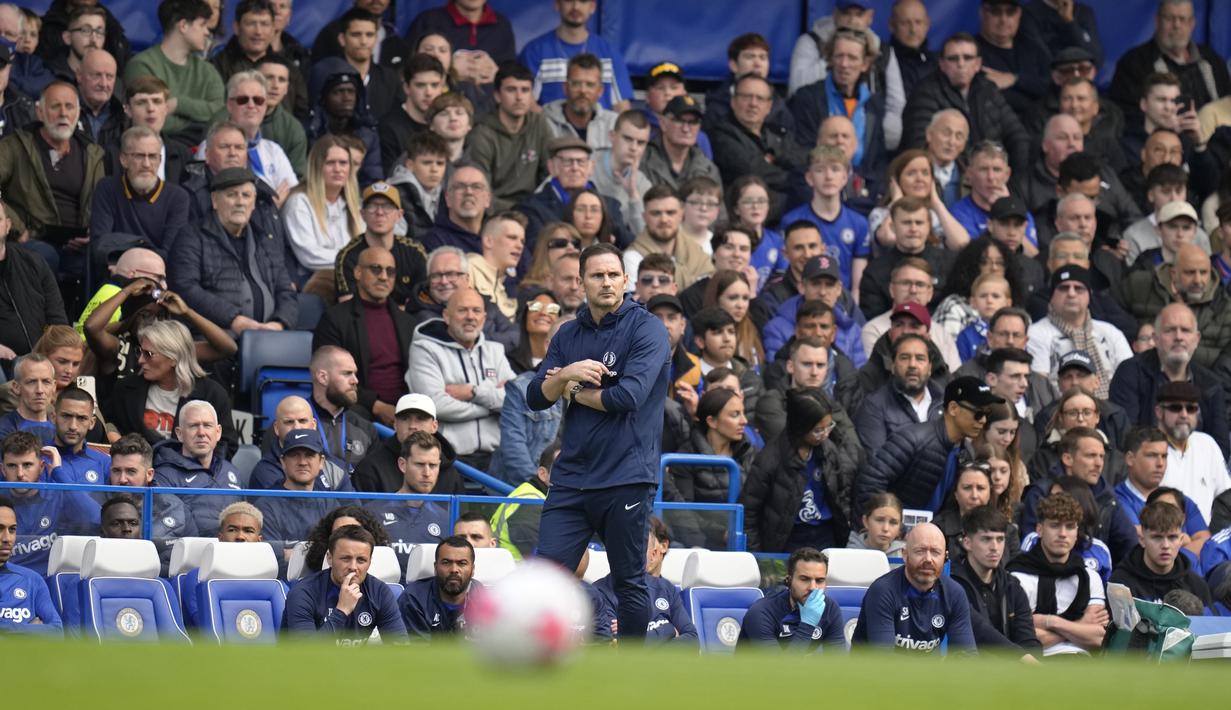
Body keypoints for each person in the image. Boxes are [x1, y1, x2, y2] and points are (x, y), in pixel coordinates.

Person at [527, 242, 669, 641]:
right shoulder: (568, 334)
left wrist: (569, 390)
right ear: (581, 282)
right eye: (596, 275)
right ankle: (535, 663)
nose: (606, 282)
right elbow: (535, 396)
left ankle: (630, 675)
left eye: (613, 275)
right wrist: (565, 374)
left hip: (626, 476)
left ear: (625, 280)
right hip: (571, 477)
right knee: (545, 580)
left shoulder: (647, 328)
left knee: (629, 581)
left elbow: (628, 398)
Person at [168, 166, 298, 334]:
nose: (240, 202)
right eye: (231, 195)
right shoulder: (192, 236)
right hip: (215, 340)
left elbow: (286, 291)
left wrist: (280, 324)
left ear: (253, 203)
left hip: (269, 337)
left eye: (246, 195)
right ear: (214, 200)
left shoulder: (264, 239)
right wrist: (232, 319)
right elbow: (185, 287)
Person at [858, 376, 1002, 514]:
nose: (983, 420)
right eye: (978, 414)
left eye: (987, 414)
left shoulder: (967, 452)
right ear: (953, 408)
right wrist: (892, 526)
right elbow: (870, 483)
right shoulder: (913, 439)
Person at [0, 81, 104, 269]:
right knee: (44, 256)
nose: (63, 113)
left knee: (103, 259)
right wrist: (16, 228)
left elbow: (102, 202)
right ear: (40, 112)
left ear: (78, 113)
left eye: (69, 106)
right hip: (31, 240)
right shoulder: (15, 146)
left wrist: (93, 233)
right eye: (55, 106)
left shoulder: (93, 154)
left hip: (78, 245)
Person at [406, 288, 513, 471]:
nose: (470, 317)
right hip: (450, 461)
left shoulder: (495, 351)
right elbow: (436, 405)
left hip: (497, 461)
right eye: (462, 310)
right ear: (446, 316)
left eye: (476, 311)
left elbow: (516, 399)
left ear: (484, 318)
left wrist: (473, 392)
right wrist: (491, 407)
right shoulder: (424, 349)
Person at [742, 388, 857, 553]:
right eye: (818, 430)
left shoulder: (828, 451)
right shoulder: (770, 460)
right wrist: (759, 558)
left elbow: (841, 496)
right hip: (789, 539)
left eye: (828, 426)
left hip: (826, 535)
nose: (824, 434)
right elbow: (749, 512)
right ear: (800, 427)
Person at [1109, 303, 1230, 460]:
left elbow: (1220, 449)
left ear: (1196, 339)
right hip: (1145, 470)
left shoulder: (1211, 384)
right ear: (1155, 338)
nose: (1178, 337)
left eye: (1185, 330)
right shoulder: (1130, 372)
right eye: (1170, 330)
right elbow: (1124, 437)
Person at [901, 32, 1030, 174]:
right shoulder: (925, 93)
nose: (961, 64)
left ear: (978, 64)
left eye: (967, 58)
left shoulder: (988, 89)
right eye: (953, 59)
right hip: (950, 179)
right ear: (942, 64)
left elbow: (1018, 137)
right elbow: (917, 147)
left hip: (991, 176)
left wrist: (1016, 181)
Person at [315, 246, 415, 427]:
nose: (383, 276)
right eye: (376, 269)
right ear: (358, 272)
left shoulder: (408, 322)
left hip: (405, 410)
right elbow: (331, 378)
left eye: (390, 271)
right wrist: (377, 406)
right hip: (358, 408)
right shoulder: (335, 319)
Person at [103, 319, 237, 451]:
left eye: (149, 354)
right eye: (140, 351)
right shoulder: (125, 389)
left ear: (174, 358)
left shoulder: (212, 394)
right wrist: (113, 434)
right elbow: (109, 423)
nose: (140, 360)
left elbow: (226, 446)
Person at [852, 522, 977, 653]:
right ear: (905, 555)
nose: (928, 559)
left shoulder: (955, 594)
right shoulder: (883, 591)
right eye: (920, 551)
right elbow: (883, 662)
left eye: (935, 552)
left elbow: (966, 656)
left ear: (945, 557)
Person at [1009, 491, 1107, 655]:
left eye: (1069, 526)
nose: (1062, 534)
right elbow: (1023, 640)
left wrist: (1051, 622)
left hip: (1082, 662)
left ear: (1077, 533)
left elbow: (1098, 638)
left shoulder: (1089, 577)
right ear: (1039, 529)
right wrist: (1080, 625)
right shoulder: (1018, 576)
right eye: (1055, 525)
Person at [283, 524, 408, 644]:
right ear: (329, 558)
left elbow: (400, 648)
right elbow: (306, 653)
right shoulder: (303, 592)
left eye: (361, 560)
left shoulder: (380, 592)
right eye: (346, 558)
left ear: (370, 562)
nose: (353, 567)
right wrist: (342, 611)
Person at [123, 0, 224, 143]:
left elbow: (221, 113)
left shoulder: (207, 71)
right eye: (202, 25)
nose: (207, 32)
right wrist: (198, 125)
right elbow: (150, 120)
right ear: (183, 26)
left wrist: (178, 104)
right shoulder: (142, 65)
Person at [788, 26, 886, 174]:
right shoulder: (808, 98)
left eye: (852, 58)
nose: (844, 64)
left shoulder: (874, 104)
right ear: (830, 58)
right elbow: (801, 152)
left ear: (865, 64)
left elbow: (877, 159)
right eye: (839, 56)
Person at [1108, 0, 1231, 116]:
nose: (1176, 25)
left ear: (1192, 23)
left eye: (1182, 19)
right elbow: (1126, 115)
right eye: (1169, 18)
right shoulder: (1133, 63)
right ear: (1157, 21)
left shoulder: (1211, 59)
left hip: (1216, 135)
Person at [0, 431, 99, 576]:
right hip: (8, 580)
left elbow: (95, 519)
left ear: (41, 467)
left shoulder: (57, 496)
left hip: (51, 581)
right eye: (12, 466)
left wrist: (58, 473)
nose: (20, 474)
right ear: (3, 469)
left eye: (27, 465)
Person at [951, 504, 1042, 660]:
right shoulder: (952, 583)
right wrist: (1021, 658)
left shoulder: (1012, 586)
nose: (995, 547)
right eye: (986, 539)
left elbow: (1028, 641)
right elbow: (979, 629)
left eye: (1000, 539)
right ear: (967, 542)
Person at [709, 73, 805, 220]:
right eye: (747, 97)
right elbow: (752, 171)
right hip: (742, 221)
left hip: (783, 214)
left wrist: (777, 158)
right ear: (733, 101)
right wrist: (795, 179)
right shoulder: (721, 133)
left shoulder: (778, 133)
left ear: (769, 107)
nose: (753, 103)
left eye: (760, 98)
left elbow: (802, 159)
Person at [1026, 266, 1132, 395]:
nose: (1071, 293)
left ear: (1089, 295)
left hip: (1111, 409)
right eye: (1064, 288)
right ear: (1052, 296)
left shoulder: (1110, 332)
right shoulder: (1036, 333)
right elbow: (1039, 387)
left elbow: (1129, 378)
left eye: (1079, 288)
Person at [781, 145, 870, 294]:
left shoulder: (859, 223)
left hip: (842, 301)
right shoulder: (792, 221)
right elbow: (787, 269)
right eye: (820, 170)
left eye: (835, 169)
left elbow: (857, 286)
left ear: (844, 177)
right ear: (809, 178)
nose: (828, 176)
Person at [89, 126, 192, 252]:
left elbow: (171, 253)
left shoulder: (178, 197)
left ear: (160, 161)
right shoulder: (107, 188)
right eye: (139, 156)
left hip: (158, 270)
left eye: (153, 156)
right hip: (115, 267)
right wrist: (142, 245)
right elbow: (100, 244)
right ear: (123, 160)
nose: (147, 164)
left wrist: (132, 251)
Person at [594, 517, 696, 644]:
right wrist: (668, 629)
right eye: (621, 544)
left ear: (652, 554)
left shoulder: (665, 587)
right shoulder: (599, 592)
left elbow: (692, 639)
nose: (629, 551)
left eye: (638, 546)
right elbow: (621, 647)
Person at [518, 0, 633, 112]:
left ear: (592, 6)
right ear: (557, 4)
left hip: (600, 130)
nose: (575, 7)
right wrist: (553, 126)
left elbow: (622, 108)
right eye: (568, 1)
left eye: (583, 1)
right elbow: (526, 103)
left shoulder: (610, 54)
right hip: (549, 129)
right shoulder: (534, 52)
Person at [466, 62, 550, 213]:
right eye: (511, 90)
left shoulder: (539, 123)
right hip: (495, 212)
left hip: (534, 209)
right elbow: (480, 191)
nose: (519, 97)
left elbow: (549, 174)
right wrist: (516, 211)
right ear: (497, 96)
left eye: (525, 90)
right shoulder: (481, 134)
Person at [150, 399, 242, 536]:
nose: (201, 432)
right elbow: (168, 531)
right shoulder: (163, 476)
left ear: (218, 432)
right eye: (193, 426)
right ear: (179, 433)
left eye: (207, 425)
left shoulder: (231, 471)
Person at [1115, 427, 1209, 554]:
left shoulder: (1180, 498)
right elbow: (1140, 542)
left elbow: (1206, 541)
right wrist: (1185, 540)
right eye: (1152, 455)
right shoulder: (1116, 501)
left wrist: (1174, 559)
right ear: (1130, 459)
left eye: (1164, 456)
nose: (1160, 463)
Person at [210, 0, 308, 120]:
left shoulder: (288, 69)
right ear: (236, 27)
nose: (258, 32)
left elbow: (302, 115)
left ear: (273, 29)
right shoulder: (217, 65)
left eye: (265, 24)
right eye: (251, 23)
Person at [283, 136, 363, 282]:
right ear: (317, 166)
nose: (338, 169)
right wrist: (356, 260)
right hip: (313, 281)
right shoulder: (299, 202)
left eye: (343, 163)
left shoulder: (353, 204)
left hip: (351, 276)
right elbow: (309, 256)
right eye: (330, 163)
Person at [333, 184, 428, 308]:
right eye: (372, 206)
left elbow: (424, 299)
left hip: (409, 324)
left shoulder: (415, 251)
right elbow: (348, 310)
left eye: (387, 206)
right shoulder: (348, 256)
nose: (380, 212)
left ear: (399, 215)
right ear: (362, 214)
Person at [853, 333, 943, 459]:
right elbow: (876, 464)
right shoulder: (873, 406)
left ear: (929, 368)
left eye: (920, 358)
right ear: (893, 366)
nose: (912, 364)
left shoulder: (945, 402)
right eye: (905, 358)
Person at [738, 546, 845, 650]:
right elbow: (779, 668)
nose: (813, 587)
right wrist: (807, 625)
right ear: (789, 580)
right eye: (804, 579)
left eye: (819, 581)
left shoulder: (830, 608)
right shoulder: (761, 613)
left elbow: (839, 664)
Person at [365, 432, 451, 558]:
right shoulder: (372, 513)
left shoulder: (446, 520)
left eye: (433, 465)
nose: (427, 473)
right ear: (402, 465)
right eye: (420, 464)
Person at [1111, 499, 1212, 605]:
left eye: (1172, 537)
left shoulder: (1196, 585)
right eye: (1157, 537)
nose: (1165, 545)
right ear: (1142, 540)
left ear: (1181, 540)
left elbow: (1209, 621)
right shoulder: (1121, 584)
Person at [950, 141, 1037, 252]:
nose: (991, 177)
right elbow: (971, 255)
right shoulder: (957, 213)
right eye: (983, 169)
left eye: (996, 170)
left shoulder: (1021, 214)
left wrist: (1007, 209)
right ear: (969, 174)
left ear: (1007, 174)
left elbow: (1034, 256)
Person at [107, 432, 196, 540]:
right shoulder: (95, 503)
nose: (122, 479)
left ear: (149, 474)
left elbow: (193, 554)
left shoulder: (175, 509)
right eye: (116, 471)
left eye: (131, 471)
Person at [0, 494, 63, 635]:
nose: (7, 538)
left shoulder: (32, 580)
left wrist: (11, 629)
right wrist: (31, 631)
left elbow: (56, 632)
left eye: (12, 530)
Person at [399, 534, 477, 639]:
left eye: (462, 563)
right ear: (435, 567)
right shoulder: (414, 599)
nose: (454, 569)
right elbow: (416, 652)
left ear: (473, 569)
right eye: (446, 563)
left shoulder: (484, 598)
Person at [377, 53, 443, 174]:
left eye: (434, 85)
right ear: (407, 88)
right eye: (420, 85)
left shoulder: (445, 124)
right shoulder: (389, 127)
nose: (429, 93)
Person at [406, 1, 516, 73]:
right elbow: (408, 68)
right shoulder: (428, 20)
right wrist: (450, 68)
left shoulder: (501, 25)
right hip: (440, 103)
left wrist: (496, 73)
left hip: (490, 105)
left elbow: (510, 72)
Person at [641, 95, 720, 193]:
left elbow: (717, 207)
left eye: (693, 122)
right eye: (678, 120)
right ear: (663, 123)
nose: (686, 129)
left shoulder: (708, 169)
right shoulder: (642, 161)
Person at [542, 53, 618, 152]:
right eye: (576, 84)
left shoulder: (615, 124)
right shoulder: (543, 123)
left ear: (600, 91)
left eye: (590, 85)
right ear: (565, 87)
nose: (583, 90)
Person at [420, 161, 491, 255]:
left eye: (476, 187)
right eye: (460, 187)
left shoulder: (500, 237)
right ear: (447, 198)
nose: (468, 192)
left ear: (488, 199)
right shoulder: (435, 242)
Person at [467, 212, 524, 320]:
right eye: (512, 237)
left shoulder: (504, 290)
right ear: (488, 241)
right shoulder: (468, 268)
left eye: (522, 241)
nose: (520, 245)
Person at [46, 387, 109, 485]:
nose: (73, 426)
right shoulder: (37, 461)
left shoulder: (105, 463)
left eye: (81, 418)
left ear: (92, 423)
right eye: (66, 416)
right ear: (53, 417)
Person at [0, 355, 56, 443]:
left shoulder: (63, 427)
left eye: (46, 382)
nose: (40, 390)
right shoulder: (4, 429)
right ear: (16, 387)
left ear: (54, 386)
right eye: (31, 382)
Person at [847, 492, 905, 557]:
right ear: (866, 521)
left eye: (893, 522)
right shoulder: (850, 554)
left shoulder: (905, 556)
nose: (885, 528)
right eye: (879, 520)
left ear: (900, 526)